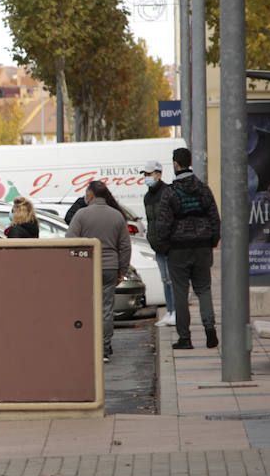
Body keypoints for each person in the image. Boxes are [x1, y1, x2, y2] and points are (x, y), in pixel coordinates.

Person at [148, 147, 221, 350]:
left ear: (175, 164)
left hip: (178, 249)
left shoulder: (170, 192)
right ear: (189, 162)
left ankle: (185, 338)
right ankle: (209, 330)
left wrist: (164, 248)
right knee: (204, 290)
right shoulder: (204, 189)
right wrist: (212, 241)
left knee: (180, 292)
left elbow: (163, 224)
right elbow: (215, 218)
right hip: (202, 247)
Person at [66, 180, 132, 362]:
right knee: (106, 309)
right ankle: (104, 347)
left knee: (86, 308)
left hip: (87, 268)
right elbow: (125, 246)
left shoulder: (81, 215)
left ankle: (88, 345)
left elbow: (70, 241)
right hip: (110, 268)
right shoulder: (117, 216)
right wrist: (122, 270)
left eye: (86, 193)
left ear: (91, 195)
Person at [140, 159, 176, 327]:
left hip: (170, 243)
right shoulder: (148, 197)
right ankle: (170, 311)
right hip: (158, 245)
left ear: (159, 174)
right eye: (145, 174)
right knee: (164, 278)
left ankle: (175, 311)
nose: (147, 177)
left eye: (149, 174)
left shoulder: (167, 192)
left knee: (171, 279)